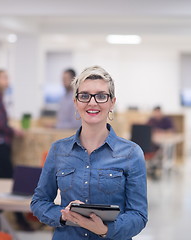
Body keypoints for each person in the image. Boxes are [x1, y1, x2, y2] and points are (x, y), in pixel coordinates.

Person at [31, 66, 148, 239]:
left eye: (101, 96)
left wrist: (105, 230)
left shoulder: (131, 153)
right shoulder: (58, 150)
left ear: (112, 103)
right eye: (84, 96)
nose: (92, 103)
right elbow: (39, 202)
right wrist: (63, 215)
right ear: (75, 102)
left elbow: (139, 215)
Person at [0, 69, 32, 231]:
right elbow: (0, 125)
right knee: (13, 183)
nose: (7, 80)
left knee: (0, 182)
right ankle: (19, 220)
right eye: (4, 77)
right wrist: (15, 131)